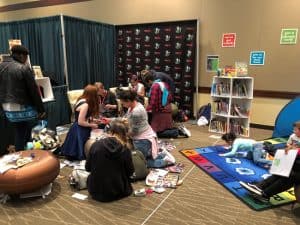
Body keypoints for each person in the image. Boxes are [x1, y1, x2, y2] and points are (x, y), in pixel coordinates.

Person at [240, 121, 300, 202]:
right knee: (282, 171)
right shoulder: (294, 137)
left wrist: (296, 150)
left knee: (290, 174)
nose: (294, 131)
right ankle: (260, 186)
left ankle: (265, 194)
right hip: (295, 162)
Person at [0, 45, 46, 151]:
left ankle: (23, 150)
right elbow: (33, 90)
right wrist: (41, 109)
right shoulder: (23, 68)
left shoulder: (1, 66)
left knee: (21, 128)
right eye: (26, 57)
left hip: (6, 106)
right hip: (21, 105)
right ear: (21, 56)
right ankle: (21, 155)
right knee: (21, 130)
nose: (26, 60)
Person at [119, 89, 175, 168]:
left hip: (142, 139)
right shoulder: (134, 105)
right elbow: (128, 119)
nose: (122, 105)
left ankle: (166, 161)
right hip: (145, 136)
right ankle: (162, 155)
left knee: (142, 162)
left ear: (128, 100)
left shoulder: (136, 111)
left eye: (123, 103)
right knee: (147, 157)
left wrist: (124, 135)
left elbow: (135, 131)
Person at [85, 119, 134, 202]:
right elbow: (130, 172)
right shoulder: (125, 149)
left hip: (96, 191)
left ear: (110, 131)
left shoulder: (96, 145)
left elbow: (88, 168)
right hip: (119, 191)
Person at [61, 84, 99, 160]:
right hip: (79, 128)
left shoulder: (82, 99)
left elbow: (83, 117)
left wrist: (93, 120)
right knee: (80, 149)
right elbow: (80, 122)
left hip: (77, 127)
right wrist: (92, 125)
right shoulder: (85, 105)